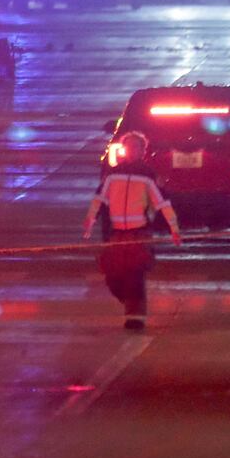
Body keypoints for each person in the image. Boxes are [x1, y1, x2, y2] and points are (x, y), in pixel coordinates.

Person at [82, 131, 181, 330]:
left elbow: (163, 203)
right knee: (113, 276)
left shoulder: (148, 175)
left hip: (139, 233)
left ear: (143, 151)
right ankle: (129, 302)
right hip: (117, 234)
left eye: (137, 147)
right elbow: (99, 198)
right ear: (124, 149)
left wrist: (174, 228)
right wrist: (90, 220)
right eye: (130, 147)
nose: (133, 150)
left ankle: (135, 317)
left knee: (135, 275)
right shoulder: (112, 174)